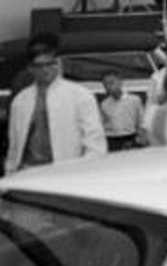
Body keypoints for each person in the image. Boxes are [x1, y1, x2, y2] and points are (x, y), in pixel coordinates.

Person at [4, 34, 107, 173]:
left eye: (50, 64)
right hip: (27, 170)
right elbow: (15, 144)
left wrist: (86, 172)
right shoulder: (21, 100)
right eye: (39, 66)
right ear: (30, 68)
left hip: (66, 172)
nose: (46, 70)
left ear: (57, 63)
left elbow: (95, 141)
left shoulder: (80, 95)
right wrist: (10, 172)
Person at [99, 71, 145, 151]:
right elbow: (102, 123)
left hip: (129, 138)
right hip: (112, 139)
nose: (109, 86)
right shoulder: (104, 104)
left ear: (120, 82)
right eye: (105, 85)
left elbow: (141, 121)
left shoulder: (134, 100)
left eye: (111, 82)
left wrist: (139, 138)